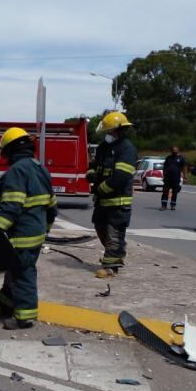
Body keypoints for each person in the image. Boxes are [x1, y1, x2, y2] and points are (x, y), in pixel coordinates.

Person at [0, 127, 57, 330]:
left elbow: (11, 207)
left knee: (22, 273)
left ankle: (24, 316)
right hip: (36, 233)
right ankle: (6, 300)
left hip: (22, 235)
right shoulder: (39, 168)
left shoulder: (16, 172)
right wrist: (47, 229)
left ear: (9, 149)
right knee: (14, 266)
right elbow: (52, 205)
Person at [86, 111, 137, 278]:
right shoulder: (104, 147)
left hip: (117, 201)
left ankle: (110, 267)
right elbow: (93, 164)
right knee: (100, 228)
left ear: (118, 130)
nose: (107, 134)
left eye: (109, 131)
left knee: (113, 232)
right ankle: (117, 254)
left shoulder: (126, 149)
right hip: (102, 201)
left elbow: (121, 177)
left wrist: (101, 189)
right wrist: (91, 174)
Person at [160, 145, 186, 211]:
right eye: (173, 150)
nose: (174, 151)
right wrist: (163, 175)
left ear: (178, 150)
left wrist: (185, 176)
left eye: (176, 150)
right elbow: (164, 167)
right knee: (165, 192)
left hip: (176, 178)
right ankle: (163, 205)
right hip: (167, 178)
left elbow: (184, 168)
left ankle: (173, 205)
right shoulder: (168, 158)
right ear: (171, 151)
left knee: (175, 192)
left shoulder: (181, 158)